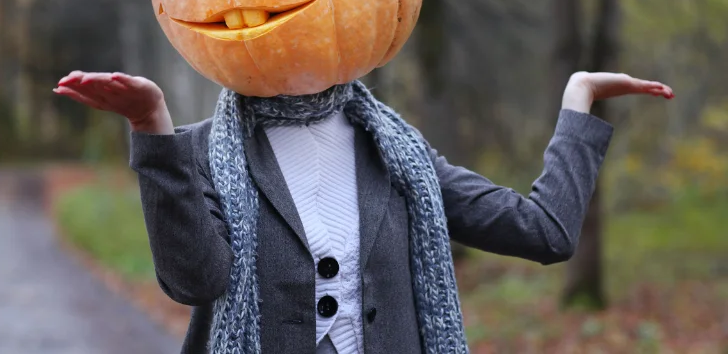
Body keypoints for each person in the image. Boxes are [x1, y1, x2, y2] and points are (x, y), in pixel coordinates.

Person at [54, 70, 673, 354]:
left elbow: (546, 232)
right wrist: (150, 127)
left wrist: (578, 105)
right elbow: (196, 282)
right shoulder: (197, 150)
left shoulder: (399, 154)